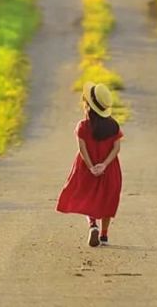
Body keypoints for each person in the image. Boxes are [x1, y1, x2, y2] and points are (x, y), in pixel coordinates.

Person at [56, 82, 123, 247]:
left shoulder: (83, 126)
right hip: (110, 169)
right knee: (108, 199)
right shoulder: (113, 125)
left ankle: (92, 225)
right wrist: (105, 164)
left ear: (88, 105)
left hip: (87, 168)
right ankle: (104, 235)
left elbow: (82, 148)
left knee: (88, 196)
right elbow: (116, 148)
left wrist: (92, 166)